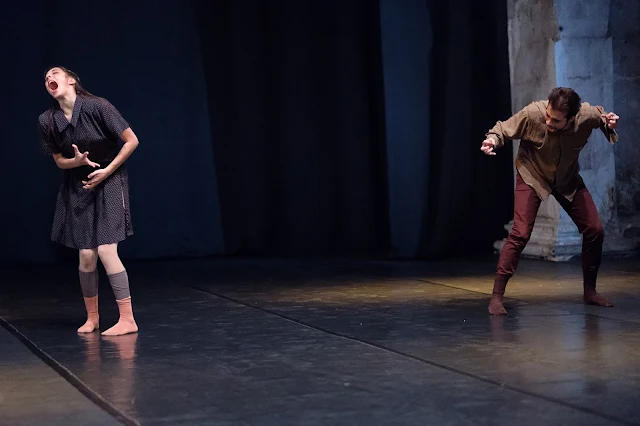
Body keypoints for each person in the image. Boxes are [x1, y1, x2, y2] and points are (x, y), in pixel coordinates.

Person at [481, 87, 619, 315]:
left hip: (566, 179)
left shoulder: (586, 115)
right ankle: (496, 297)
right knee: (520, 233)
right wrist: (492, 141)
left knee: (595, 230)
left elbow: (602, 117)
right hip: (532, 174)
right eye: (548, 115)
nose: (548, 121)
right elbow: (502, 129)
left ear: (572, 119)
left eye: (555, 120)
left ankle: (590, 291)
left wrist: (609, 123)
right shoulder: (533, 113)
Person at [39, 66, 139, 335]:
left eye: (54, 73)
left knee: (106, 249)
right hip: (78, 184)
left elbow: (131, 141)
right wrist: (77, 161)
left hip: (110, 177)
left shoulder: (97, 106)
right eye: (46, 77)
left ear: (71, 80)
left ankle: (127, 319)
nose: (49, 78)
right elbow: (59, 161)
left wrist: (108, 170)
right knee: (85, 255)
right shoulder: (48, 120)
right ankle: (92, 318)